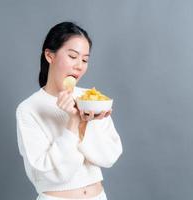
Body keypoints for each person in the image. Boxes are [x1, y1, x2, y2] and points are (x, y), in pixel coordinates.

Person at [16, 21, 123, 200]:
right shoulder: (28, 109)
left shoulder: (92, 100)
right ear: (50, 56)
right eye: (73, 56)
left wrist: (85, 123)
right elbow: (50, 174)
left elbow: (109, 156)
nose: (79, 66)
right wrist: (73, 122)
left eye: (85, 59)